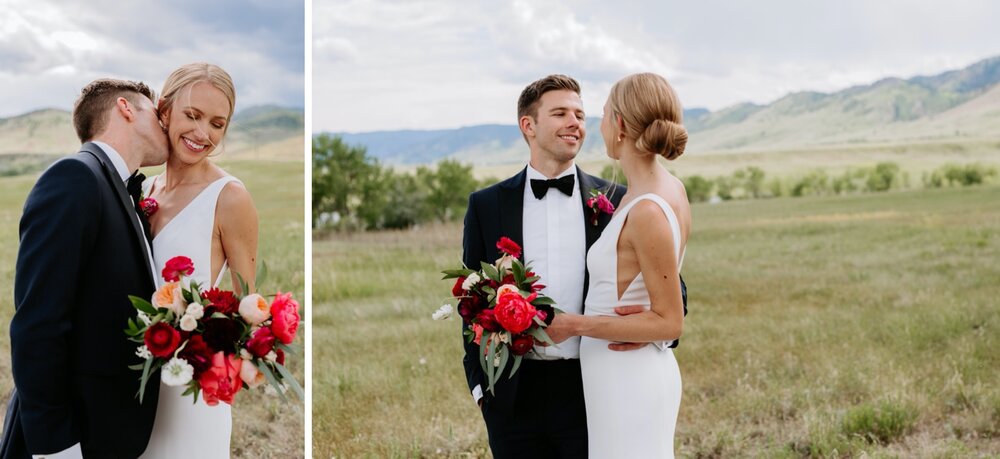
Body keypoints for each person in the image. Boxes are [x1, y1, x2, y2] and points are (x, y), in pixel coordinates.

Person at [462, 74, 630, 458]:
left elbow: (669, 289)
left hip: (593, 388)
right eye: (560, 113)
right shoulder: (487, 206)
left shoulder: (616, 200)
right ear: (528, 125)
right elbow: (469, 304)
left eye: (580, 115)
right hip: (512, 395)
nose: (575, 122)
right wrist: (481, 392)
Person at [2, 78, 169, 457]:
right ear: (127, 108)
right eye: (157, 114)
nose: (166, 125)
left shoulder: (120, 190)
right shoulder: (75, 178)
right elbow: (37, 325)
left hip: (107, 432)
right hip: (67, 440)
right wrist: (57, 447)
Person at [545, 72, 690, 458]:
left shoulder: (646, 209)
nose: (600, 125)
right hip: (619, 371)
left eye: (605, 115)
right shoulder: (666, 188)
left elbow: (670, 321)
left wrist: (575, 324)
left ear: (621, 126)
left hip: (628, 376)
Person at [139, 63, 259, 458]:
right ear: (164, 109)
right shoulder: (141, 189)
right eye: (192, 115)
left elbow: (248, 307)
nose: (202, 133)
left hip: (191, 386)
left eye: (217, 123)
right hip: (132, 381)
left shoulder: (230, 196)